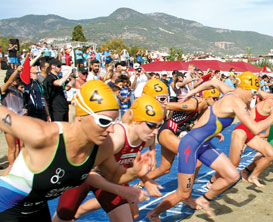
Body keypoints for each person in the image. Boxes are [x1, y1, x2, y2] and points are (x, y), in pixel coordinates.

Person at [0, 80, 152, 220]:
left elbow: (113, 175)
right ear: (81, 116)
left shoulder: (103, 146)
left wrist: (134, 172)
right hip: (6, 205)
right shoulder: (44, 135)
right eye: (104, 122)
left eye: (114, 122)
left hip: (38, 207)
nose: (111, 129)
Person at [146, 72, 273, 221]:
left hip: (203, 144)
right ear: (245, 88)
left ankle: (204, 199)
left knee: (232, 175)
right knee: (183, 193)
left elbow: (213, 82)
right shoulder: (236, 102)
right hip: (190, 146)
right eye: (253, 92)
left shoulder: (230, 92)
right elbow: (255, 129)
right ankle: (153, 214)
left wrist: (190, 93)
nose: (254, 97)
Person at [54, 95, 164, 221]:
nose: (155, 132)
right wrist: (123, 189)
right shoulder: (116, 138)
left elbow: (125, 162)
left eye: (158, 126)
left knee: (128, 217)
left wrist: (145, 178)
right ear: (135, 121)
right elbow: (88, 172)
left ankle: (79, 211)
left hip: (108, 176)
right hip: (83, 176)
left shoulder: (146, 138)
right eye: (151, 125)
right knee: (63, 217)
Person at [213, 80, 273, 187]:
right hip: (242, 131)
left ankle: (253, 176)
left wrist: (249, 104)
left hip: (251, 133)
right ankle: (212, 181)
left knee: (271, 154)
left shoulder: (270, 96)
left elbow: (257, 91)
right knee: (234, 163)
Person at [1, 66, 25, 170]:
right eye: (15, 78)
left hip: (20, 122)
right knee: (12, 148)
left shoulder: (19, 91)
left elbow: (21, 107)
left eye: (18, 78)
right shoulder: (4, 90)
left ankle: (19, 167)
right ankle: (11, 168)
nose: (17, 80)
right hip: (8, 122)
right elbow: (10, 81)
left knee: (21, 147)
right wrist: (17, 71)